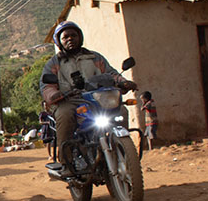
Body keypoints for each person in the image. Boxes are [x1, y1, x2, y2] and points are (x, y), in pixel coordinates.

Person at [39, 21, 136, 171]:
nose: (70, 39)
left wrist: (124, 82)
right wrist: (54, 94)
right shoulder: (54, 63)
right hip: (70, 100)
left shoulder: (95, 57)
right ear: (59, 41)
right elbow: (46, 86)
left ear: (80, 37)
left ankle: (122, 148)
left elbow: (111, 74)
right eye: (65, 37)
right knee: (65, 116)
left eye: (73, 35)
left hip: (98, 98)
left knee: (121, 110)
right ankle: (67, 162)